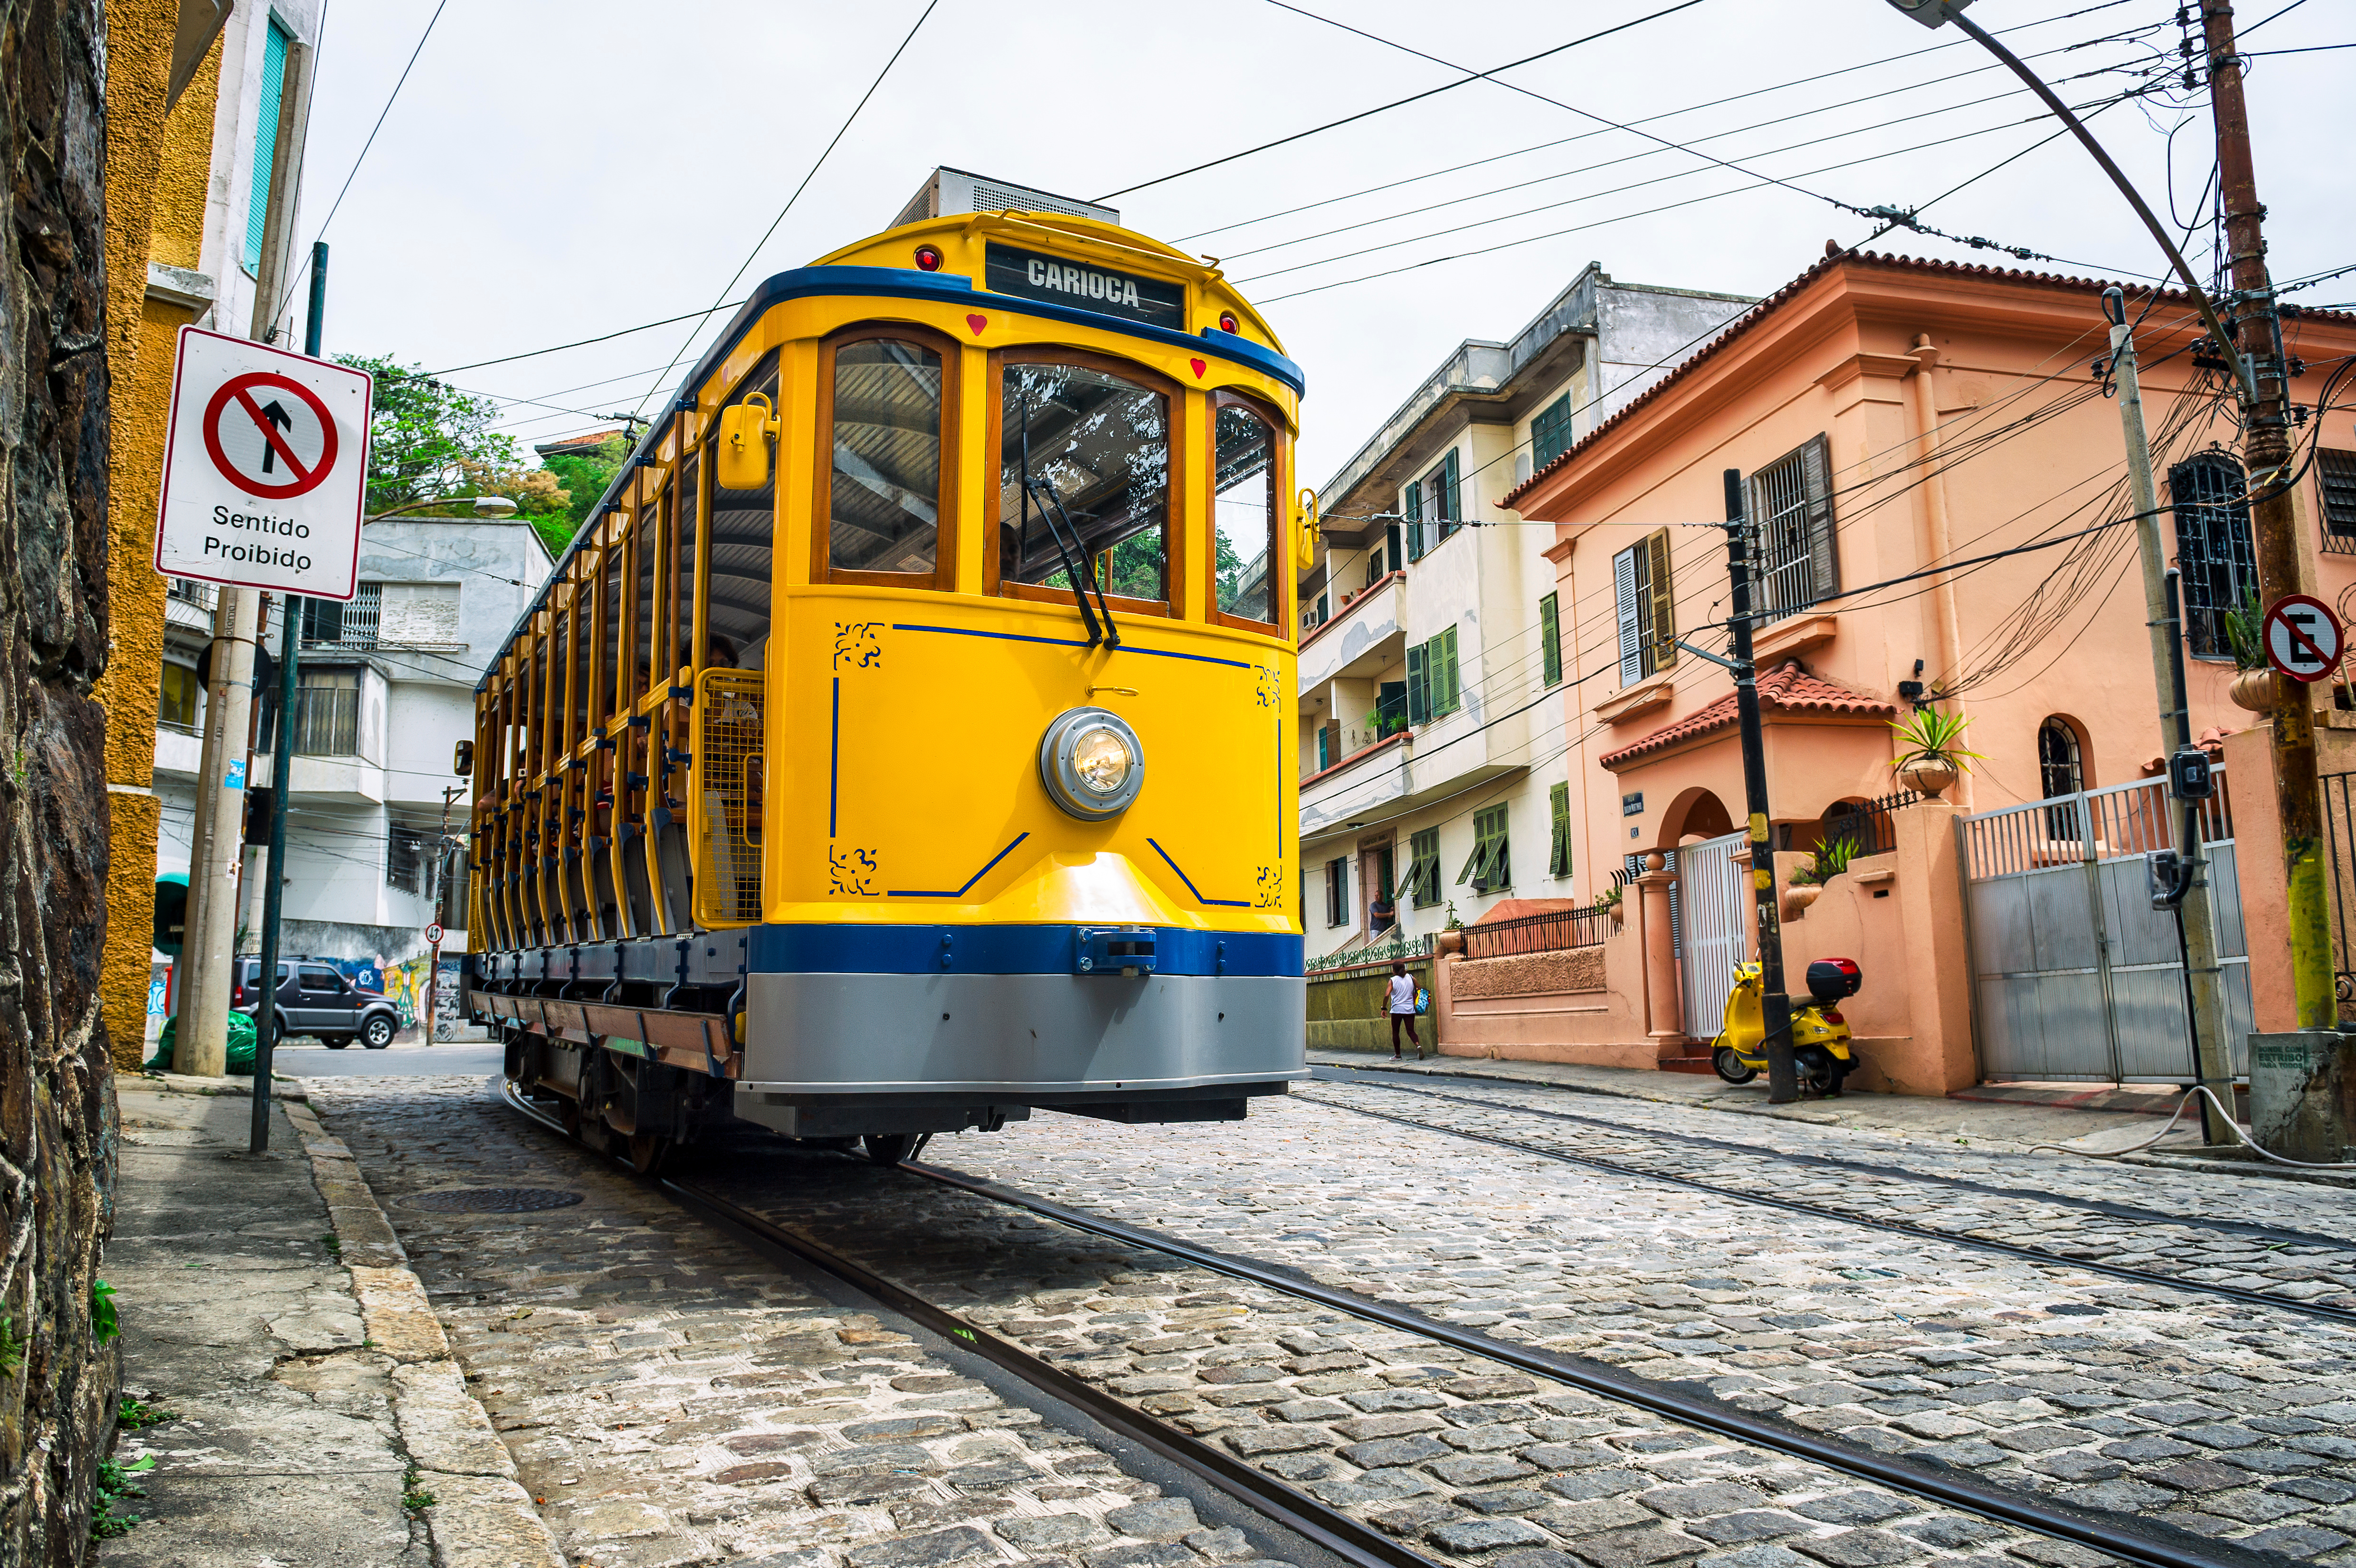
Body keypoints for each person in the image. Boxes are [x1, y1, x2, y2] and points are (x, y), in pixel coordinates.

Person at [1386, 960, 1421, 1060]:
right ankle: (1418, 1046)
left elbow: (1387, 995)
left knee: (1396, 1032)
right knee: (1411, 1031)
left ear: (1394, 971)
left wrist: (1383, 1008)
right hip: (1410, 1009)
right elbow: (1419, 989)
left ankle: (1398, 1055)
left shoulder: (1393, 980)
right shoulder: (1411, 978)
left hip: (1397, 1010)